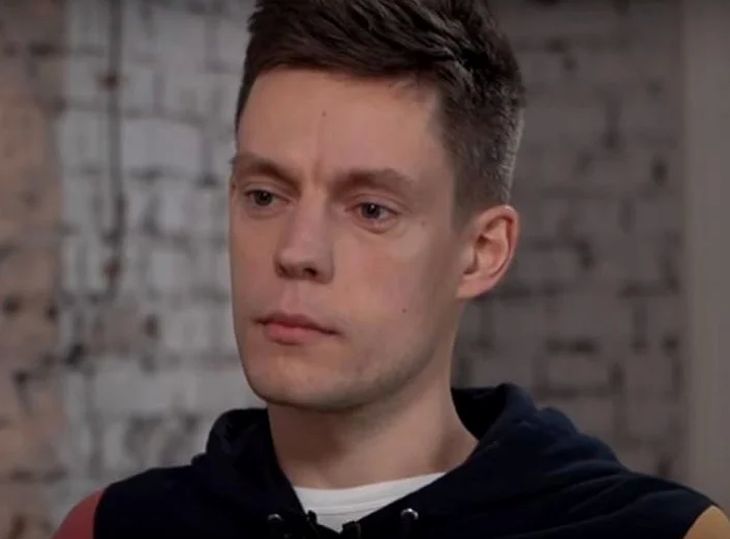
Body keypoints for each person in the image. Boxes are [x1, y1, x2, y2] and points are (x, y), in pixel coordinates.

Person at [55, 1, 729, 538]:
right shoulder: (109, 528)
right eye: (264, 196)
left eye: (371, 209)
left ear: (482, 251)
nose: (297, 251)